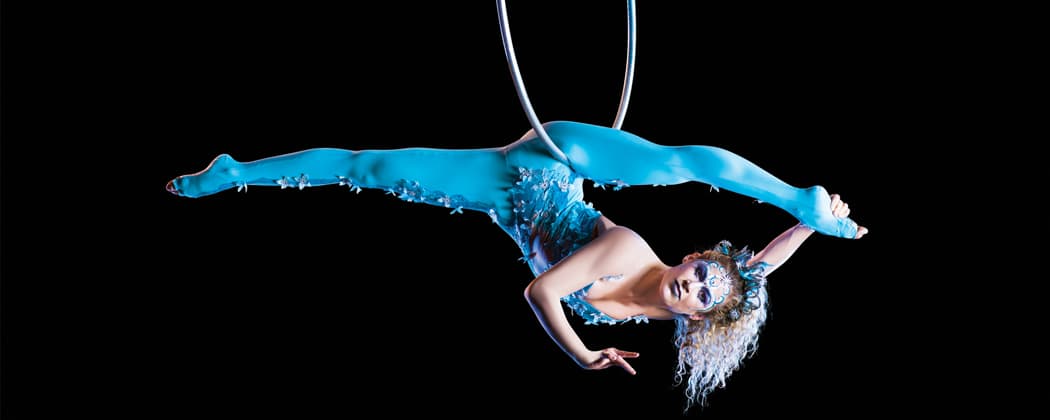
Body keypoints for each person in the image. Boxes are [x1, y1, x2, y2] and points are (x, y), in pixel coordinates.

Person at [166, 120, 868, 411]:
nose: (699, 281)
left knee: (367, 169)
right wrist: (584, 355)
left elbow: (757, 274)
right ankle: (792, 189)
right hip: (555, 161)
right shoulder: (630, 252)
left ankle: (236, 172)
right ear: (692, 257)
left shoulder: (673, 310)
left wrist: (806, 233)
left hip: (505, 197)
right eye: (704, 270)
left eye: (705, 293)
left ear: (698, 317)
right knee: (675, 165)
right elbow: (541, 291)